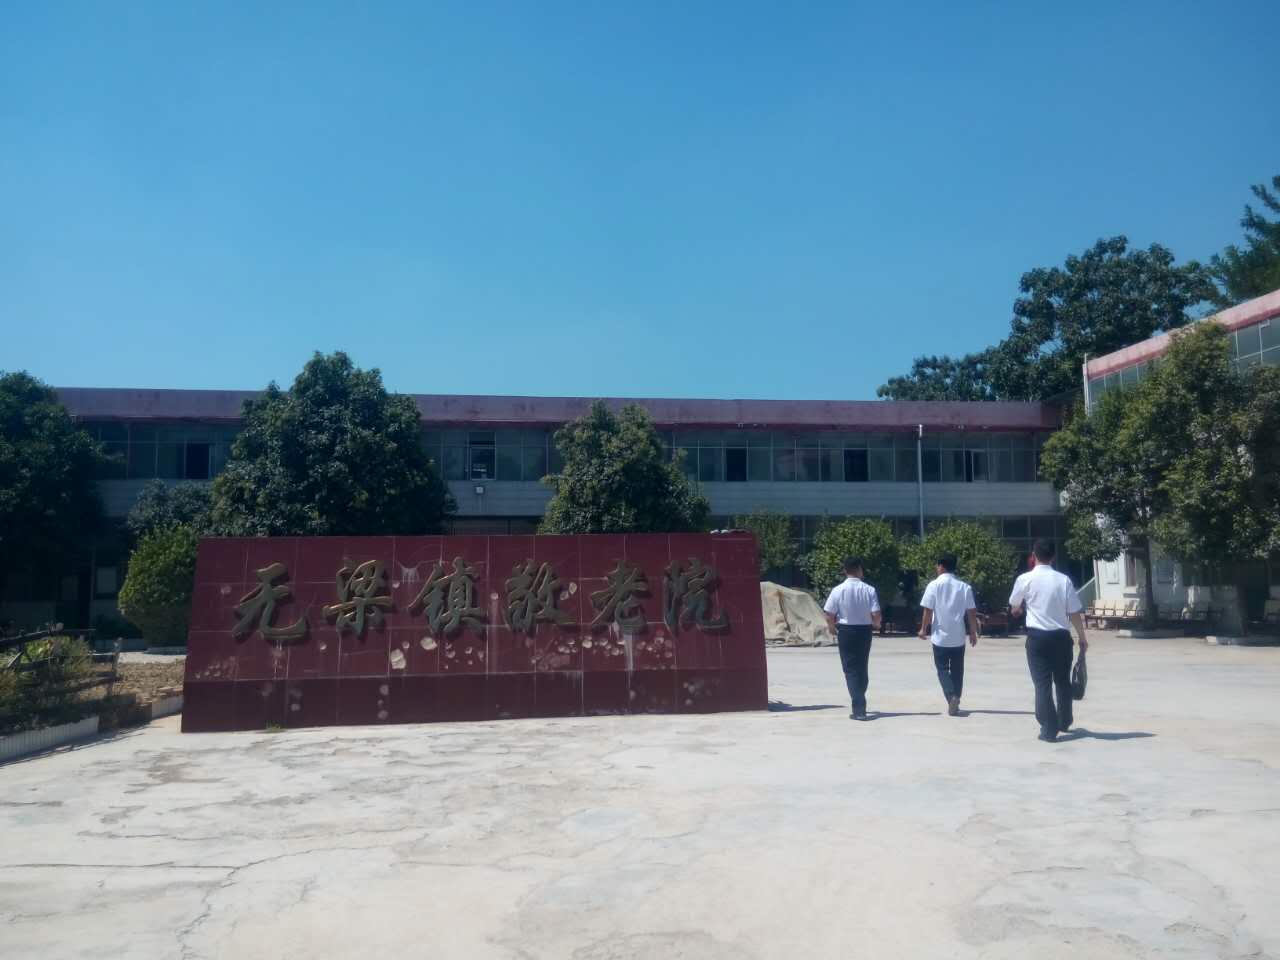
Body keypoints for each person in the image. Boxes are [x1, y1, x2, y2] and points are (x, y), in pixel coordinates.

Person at [1009, 539, 1089, 742]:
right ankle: (1064, 720)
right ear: (1053, 557)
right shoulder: (1064, 580)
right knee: (1062, 680)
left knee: (1042, 683)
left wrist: (1018, 610)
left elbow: (1015, 606)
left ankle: (1049, 727)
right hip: (1061, 637)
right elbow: (1074, 612)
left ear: (1033, 556)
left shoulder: (1024, 579)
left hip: (1037, 638)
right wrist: (1082, 637)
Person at [917, 552, 978, 716]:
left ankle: (951, 697)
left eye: (937, 565)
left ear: (942, 566)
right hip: (958, 637)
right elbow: (971, 612)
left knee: (942, 669)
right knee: (958, 670)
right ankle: (956, 698)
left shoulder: (933, 585)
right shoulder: (964, 587)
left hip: (940, 637)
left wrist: (923, 629)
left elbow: (928, 610)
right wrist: (973, 631)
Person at [823, 556, 881, 720]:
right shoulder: (869, 589)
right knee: (862, 666)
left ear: (845, 570)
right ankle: (860, 698)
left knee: (850, 669)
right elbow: (876, 613)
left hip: (846, 631)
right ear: (859, 569)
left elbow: (829, 613)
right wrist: (876, 624)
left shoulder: (838, 590)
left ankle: (859, 708)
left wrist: (832, 628)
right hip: (864, 631)